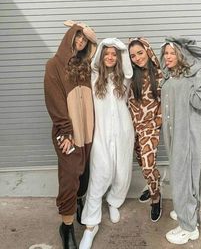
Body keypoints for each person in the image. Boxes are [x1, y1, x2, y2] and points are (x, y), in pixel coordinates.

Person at [44, 20, 97, 249]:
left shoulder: (86, 66)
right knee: (70, 176)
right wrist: (65, 132)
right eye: (77, 36)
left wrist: (84, 28)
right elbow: (54, 101)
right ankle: (66, 227)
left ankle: (78, 202)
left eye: (84, 39)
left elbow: (99, 44)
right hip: (67, 133)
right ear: (69, 37)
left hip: (87, 131)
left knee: (84, 174)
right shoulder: (54, 65)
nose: (80, 41)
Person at [159, 37, 201, 245]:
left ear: (181, 55)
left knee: (183, 177)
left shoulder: (191, 78)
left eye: (172, 53)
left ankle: (188, 227)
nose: (168, 56)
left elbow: (199, 101)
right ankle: (186, 210)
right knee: (181, 176)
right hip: (174, 136)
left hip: (186, 137)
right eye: (166, 53)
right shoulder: (171, 77)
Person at [79, 38, 134, 249]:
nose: (110, 57)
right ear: (101, 56)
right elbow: (90, 59)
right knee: (100, 174)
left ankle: (114, 201)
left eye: (114, 54)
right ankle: (90, 227)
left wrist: (122, 48)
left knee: (122, 172)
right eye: (107, 53)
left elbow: (129, 69)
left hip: (123, 132)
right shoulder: (93, 78)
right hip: (101, 134)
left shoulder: (124, 79)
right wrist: (104, 43)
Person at [127, 37, 163, 222]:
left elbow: (166, 102)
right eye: (133, 55)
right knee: (142, 164)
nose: (137, 58)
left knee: (149, 166)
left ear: (148, 50)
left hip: (150, 127)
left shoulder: (159, 73)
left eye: (140, 53)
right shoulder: (130, 75)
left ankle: (156, 198)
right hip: (133, 128)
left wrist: (157, 122)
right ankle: (152, 187)